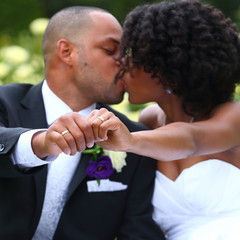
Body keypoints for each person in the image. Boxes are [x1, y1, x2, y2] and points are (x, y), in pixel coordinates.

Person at [0, 6, 165, 240]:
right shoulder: (4, 103)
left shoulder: (135, 140)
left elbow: (139, 231)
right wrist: (40, 143)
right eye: (111, 50)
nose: (125, 63)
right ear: (67, 52)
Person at [87, 0, 240, 239]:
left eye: (134, 56)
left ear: (169, 66)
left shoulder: (233, 115)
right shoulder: (149, 121)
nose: (123, 64)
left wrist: (130, 141)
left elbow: (191, 140)